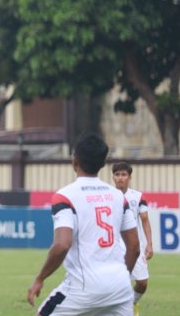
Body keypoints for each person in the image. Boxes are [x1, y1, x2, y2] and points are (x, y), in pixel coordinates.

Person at [26, 132, 140, 315]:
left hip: (84, 287)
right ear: (103, 164)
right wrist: (119, 278)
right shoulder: (119, 197)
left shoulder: (65, 196)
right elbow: (134, 247)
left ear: (74, 160)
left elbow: (62, 245)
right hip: (121, 287)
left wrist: (40, 278)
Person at [112, 162, 153, 316]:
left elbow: (145, 221)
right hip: (114, 248)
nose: (120, 178)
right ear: (113, 177)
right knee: (116, 284)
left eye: (123, 175)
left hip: (135, 246)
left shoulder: (137, 197)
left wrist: (149, 243)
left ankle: (132, 303)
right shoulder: (107, 196)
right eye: (117, 174)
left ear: (129, 177)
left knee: (142, 283)